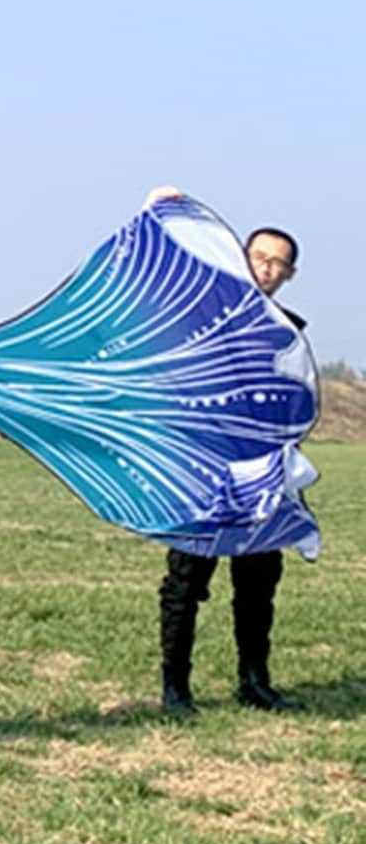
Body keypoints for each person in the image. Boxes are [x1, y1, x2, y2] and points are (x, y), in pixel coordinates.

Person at [147, 199, 309, 716]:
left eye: (276, 263)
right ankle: (176, 688)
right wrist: (160, 210)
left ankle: (255, 681)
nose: (266, 267)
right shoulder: (205, 315)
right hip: (203, 475)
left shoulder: (290, 332)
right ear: (241, 257)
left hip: (263, 478)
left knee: (259, 583)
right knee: (186, 582)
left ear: (289, 274)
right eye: (258, 257)